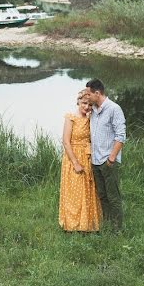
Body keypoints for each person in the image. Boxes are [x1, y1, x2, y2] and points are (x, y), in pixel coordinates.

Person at [86, 78, 126, 231]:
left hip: (108, 161)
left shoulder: (114, 109)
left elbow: (121, 136)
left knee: (113, 197)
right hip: (95, 162)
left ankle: (117, 230)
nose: (87, 97)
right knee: (102, 196)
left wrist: (111, 158)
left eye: (89, 94)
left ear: (97, 93)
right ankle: (108, 225)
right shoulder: (93, 111)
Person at [58, 89, 101, 232]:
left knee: (87, 190)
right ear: (78, 102)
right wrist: (75, 163)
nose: (86, 107)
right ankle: (72, 225)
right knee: (74, 192)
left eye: (89, 104)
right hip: (73, 157)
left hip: (87, 156)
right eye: (83, 103)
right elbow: (65, 141)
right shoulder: (71, 117)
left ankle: (87, 224)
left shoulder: (90, 119)